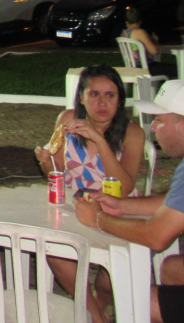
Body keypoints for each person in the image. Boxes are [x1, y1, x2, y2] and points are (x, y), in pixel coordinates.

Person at [74, 79, 184, 323]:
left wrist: (98, 219)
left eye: (160, 120)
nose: (153, 128)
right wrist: (121, 205)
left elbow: (157, 235)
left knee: (140, 302)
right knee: (171, 268)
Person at [34, 64, 146, 323]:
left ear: (120, 100)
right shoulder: (67, 121)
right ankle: (96, 318)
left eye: (110, 95)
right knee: (56, 254)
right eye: (94, 94)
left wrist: (99, 140)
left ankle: (101, 300)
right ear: (81, 98)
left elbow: (124, 187)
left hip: (118, 209)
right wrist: (45, 160)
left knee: (109, 278)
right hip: (76, 207)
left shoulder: (132, 132)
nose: (102, 103)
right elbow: (56, 169)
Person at [122, 7, 177, 79]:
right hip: (145, 68)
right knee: (177, 69)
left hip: (132, 67)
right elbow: (154, 51)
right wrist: (155, 40)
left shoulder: (124, 34)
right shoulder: (140, 32)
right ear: (140, 21)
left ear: (127, 22)